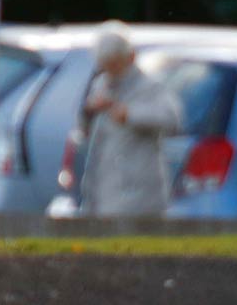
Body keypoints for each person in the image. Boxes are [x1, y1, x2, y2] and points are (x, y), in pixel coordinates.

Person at [77, 21, 183, 218]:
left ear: (130, 57)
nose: (111, 72)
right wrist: (88, 112)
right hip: (103, 187)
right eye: (106, 66)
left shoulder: (151, 87)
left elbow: (172, 119)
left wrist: (130, 115)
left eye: (115, 65)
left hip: (140, 193)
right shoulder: (100, 85)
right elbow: (84, 131)